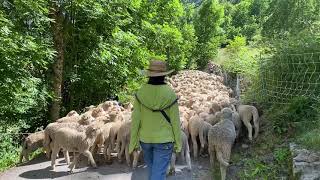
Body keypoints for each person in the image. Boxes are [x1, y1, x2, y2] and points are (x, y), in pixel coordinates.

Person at [129, 60, 182, 180]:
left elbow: (136, 120)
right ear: (164, 75)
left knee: (153, 171)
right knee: (158, 174)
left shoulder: (141, 92)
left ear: (148, 74)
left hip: (145, 139)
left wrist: (133, 143)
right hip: (165, 140)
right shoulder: (170, 93)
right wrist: (178, 143)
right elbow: (175, 121)